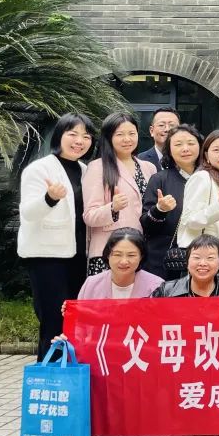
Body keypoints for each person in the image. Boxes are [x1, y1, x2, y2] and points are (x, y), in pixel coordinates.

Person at [18, 113, 94, 360]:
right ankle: (49, 375)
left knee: (75, 321)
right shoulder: (39, 169)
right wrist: (49, 198)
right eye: (73, 134)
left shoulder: (85, 170)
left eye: (86, 136)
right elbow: (28, 213)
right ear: (59, 135)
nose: (79, 141)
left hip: (78, 256)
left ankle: (71, 374)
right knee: (53, 321)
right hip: (47, 257)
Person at [83, 112, 158, 276]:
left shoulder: (149, 168)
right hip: (109, 252)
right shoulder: (98, 167)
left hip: (140, 251)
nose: (127, 139)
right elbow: (89, 216)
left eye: (132, 133)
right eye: (120, 134)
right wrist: (112, 208)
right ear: (109, 137)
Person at [178, 129, 219, 282]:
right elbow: (189, 220)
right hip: (203, 257)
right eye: (216, 150)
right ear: (207, 156)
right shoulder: (202, 178)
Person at [140, 123, 201, 279]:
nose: (185, 149)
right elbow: (146, 224)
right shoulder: (159, 179)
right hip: (165, 260)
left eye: (191, 143)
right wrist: (159, 210)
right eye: (178, 144)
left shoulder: (210, 178)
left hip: (203, 258)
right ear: (169, 150)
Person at [76, 228, 162, 300]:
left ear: (141, 257)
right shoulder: (91, 284)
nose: (123, 261)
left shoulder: (157, 286)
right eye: (117, 255)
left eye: (131, 255)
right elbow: (80, 314)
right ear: (108, 255)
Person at [152, 234, 219, 297]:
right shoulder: (166, 291)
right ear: (187, 262)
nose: (202, 263)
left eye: (210, 258)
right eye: (197, 257)